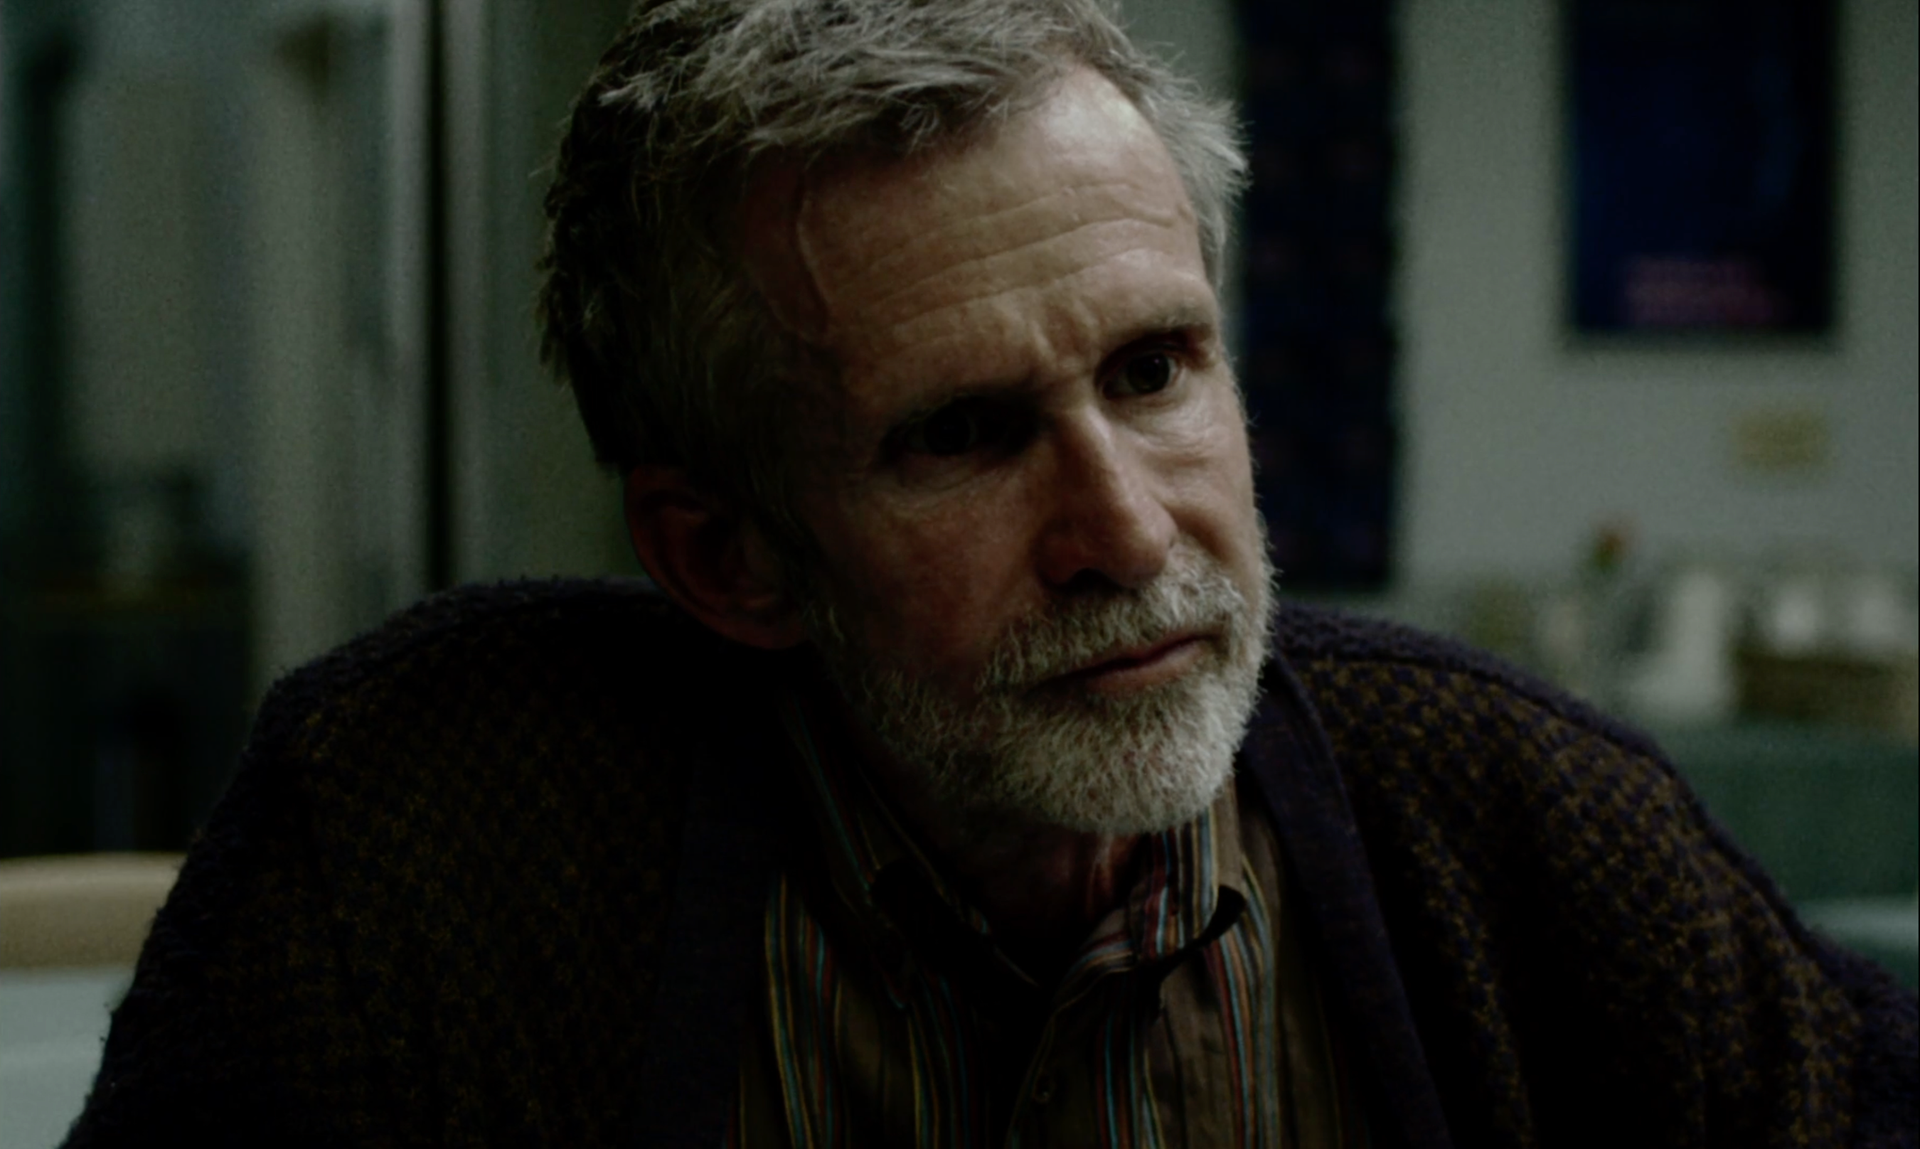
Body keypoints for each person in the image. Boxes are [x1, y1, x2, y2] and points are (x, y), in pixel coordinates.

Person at [65, 1, 1915, 1147]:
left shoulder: (1514, 821)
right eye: (960, 435)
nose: (1130, 532)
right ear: (726, 557)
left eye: (1156, 369)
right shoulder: (429, 840)